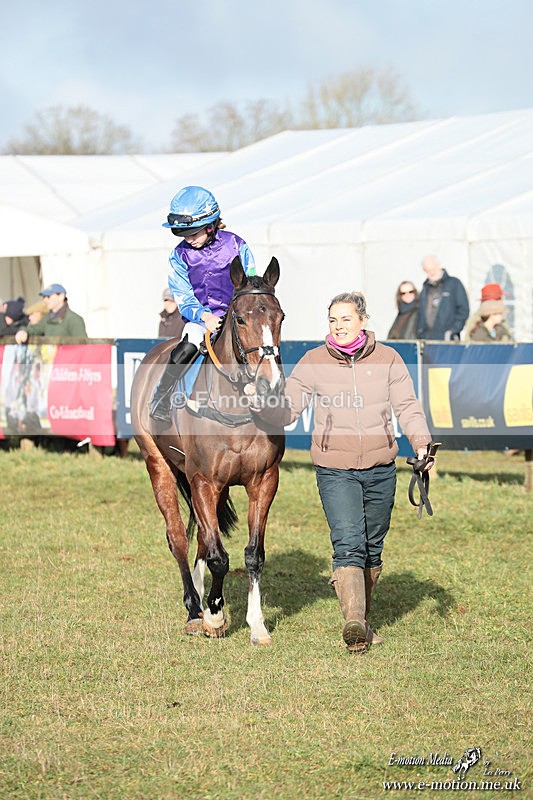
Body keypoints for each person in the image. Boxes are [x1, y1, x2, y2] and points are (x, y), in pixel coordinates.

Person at [251, 291, 434, 654]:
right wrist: (264, 407)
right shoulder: (314, 361)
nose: (339, 326)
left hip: (382, 467)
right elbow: (288, 408)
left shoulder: (388, 359)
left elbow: (407, 406)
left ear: (363, 321)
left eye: (346, 319)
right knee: (349, 542)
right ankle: (353, 623)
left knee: (373, 547)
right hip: (335, 469)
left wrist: (422, 443)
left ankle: (363, 621)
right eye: (333, 320)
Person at [150, 185, 255, 422]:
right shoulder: (179, 255)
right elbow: (183, 295)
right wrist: (204, 316)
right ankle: (161, 398)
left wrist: (233, 316)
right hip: (201, 321)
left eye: (194, 233)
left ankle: (274, 400)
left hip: (237, 318)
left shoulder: (237, 245)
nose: (189, 239)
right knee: (186, 348)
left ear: (211, 225)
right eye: (184, 234)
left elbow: (249, 285)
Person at [416, 255, 469, 340]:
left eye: (433, 269)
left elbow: (463, 310)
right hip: (428, 340)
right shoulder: (426, 288)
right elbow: (421, 313)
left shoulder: (454, 284)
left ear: (439, 265)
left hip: (447, 340)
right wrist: (421, 332)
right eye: (427, 270)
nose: (431, 273)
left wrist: (453, 331)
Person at [15, 284, 87, 343]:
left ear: (61, 296)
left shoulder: (74, 319)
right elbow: (34, 329)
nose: (45, 300)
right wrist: (23, 331)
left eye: (48, 296)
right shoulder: (47, 318)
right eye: (44, 297)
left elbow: (82, 347)